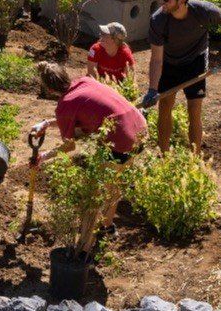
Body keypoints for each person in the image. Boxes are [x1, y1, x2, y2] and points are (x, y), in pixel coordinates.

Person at [140, 0, 221, 153]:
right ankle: (164, 156)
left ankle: (195, 158)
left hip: (196, 61)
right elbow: (157, 59)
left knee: (194, 110)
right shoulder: (158, 20)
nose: (161, 1)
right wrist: (152, 88)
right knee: (165, 107)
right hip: (169, 62)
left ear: (182, 1)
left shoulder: (202, 11)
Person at [30, 61, 148, 232]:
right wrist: (47, 123)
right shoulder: (86, 81)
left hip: (123, 139)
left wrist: (44, 156)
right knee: (114, 185)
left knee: (103, 191)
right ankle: (106, 227)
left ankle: (101, 232)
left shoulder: (64, 105)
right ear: (66, 74)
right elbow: (84, 118)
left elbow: (70, 147)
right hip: (140, 129)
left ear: (48, 89)